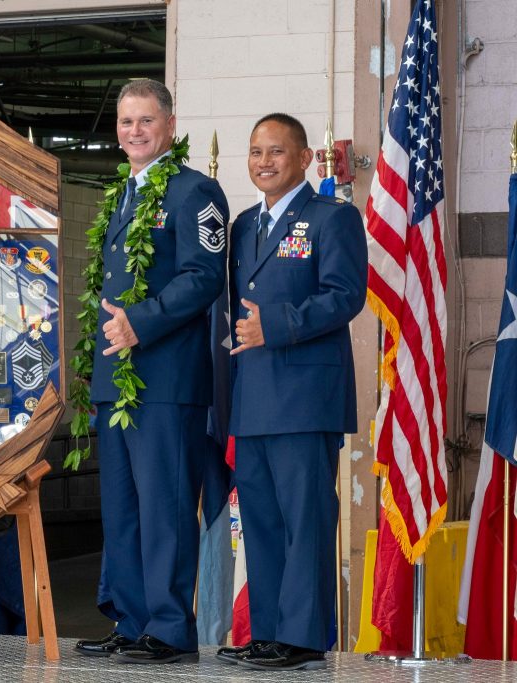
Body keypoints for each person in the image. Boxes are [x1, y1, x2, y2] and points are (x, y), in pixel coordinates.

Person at [74, 78, 228, 664]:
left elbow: (204, 277)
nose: (134, 132)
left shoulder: (196, 192)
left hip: (165, 381)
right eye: (125, 122)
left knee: (164, 508)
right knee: (123, 511)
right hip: (118, 382)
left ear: (169, 123)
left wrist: (142, 321)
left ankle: (168, 628)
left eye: (145, 120)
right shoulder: (123, 195)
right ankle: (134, 619)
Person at [218, 113, 366, 671]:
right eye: (255, 152)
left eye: (275, 152)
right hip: (252, 398)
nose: (263, 162)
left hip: (304, 399)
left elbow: (345, 295)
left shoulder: (333, 218)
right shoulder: (241, 225)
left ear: (305, 159)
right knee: (260, 521)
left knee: (305, 520)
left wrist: (276, 326)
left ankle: (302, 638)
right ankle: (269, 633)